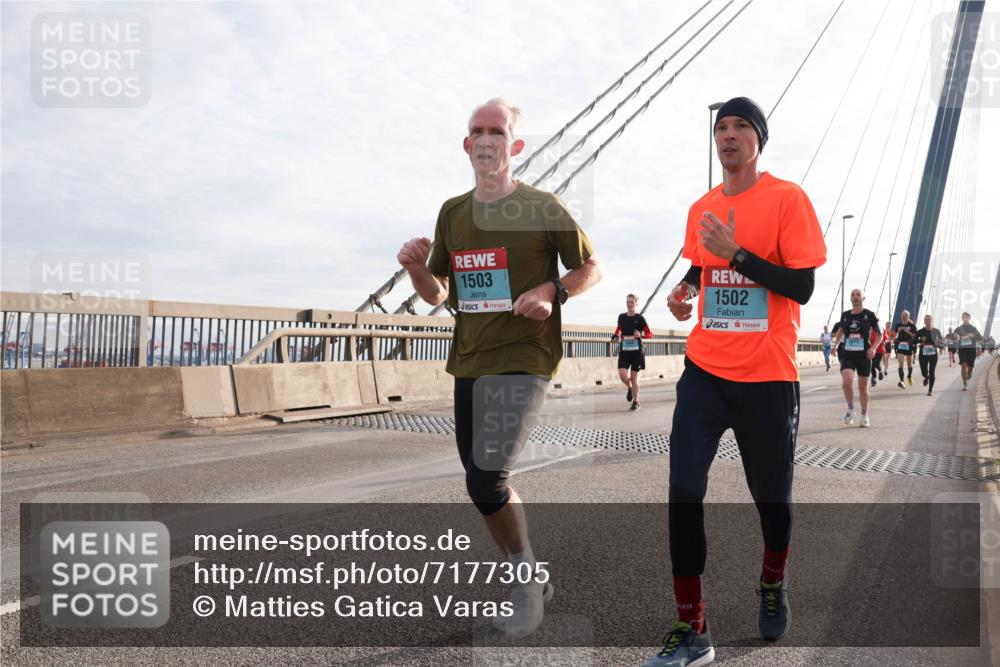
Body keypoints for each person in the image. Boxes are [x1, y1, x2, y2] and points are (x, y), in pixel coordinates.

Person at [397, 97, 602, 639]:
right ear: (467, 145)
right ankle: (529, 571)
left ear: (515, 145)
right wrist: (417, 269)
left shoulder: (543, 206)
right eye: (477, 131)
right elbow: (439, 292)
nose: (486, 139)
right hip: (471, 357)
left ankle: (525, 587)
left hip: (525, 356)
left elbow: (591, 267)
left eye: (497, 131)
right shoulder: (452, 212)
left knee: (489, 473)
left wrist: (552, 290)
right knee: (479, 482)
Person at [645, 97, 826, 667]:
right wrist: (685, 291)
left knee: (772, 500)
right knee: (683, 489)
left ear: (758, 139)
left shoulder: (787, 199)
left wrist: (739, 255)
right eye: (720, 126)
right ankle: (692, 627)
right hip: (704, 369)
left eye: (740, 126)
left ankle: (772, 579)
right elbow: (702, 265)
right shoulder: (702, 207)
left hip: (767, 375)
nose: (728, 135)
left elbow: (802, 287)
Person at [830, 289, 881, 427]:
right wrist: (836, 345)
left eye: (858, 294)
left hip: (864, 355)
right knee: (847, 381)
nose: (855, 296)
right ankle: (851, 409)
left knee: (863, 389)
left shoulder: (869, 315)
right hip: (848, 354)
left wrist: (873, 348)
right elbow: (841, 331)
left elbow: (879, 335)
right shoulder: (845, 315)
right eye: (853, 295)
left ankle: (864, 414)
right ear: (850, 298)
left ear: (863, 298)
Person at [612, 294, 653, 411]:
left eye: (631, 302)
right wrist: (616, 338)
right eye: (627, 302)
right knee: (622, 375)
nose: (629, 304)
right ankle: (629, 387)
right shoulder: (622, 317)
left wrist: (641, 335)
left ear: (636, 304)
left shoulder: (640, 319)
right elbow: (617, 331)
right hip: (624, 352)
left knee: (634, 378)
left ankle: (636, 402)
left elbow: (650, 334)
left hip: (636, 353)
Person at [914, 314, 944, 396]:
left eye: (929, 320)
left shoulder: (936, 331)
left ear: (932, 321)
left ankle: (930, 390)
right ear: (924, 322)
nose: (928, 321)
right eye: (926, 320)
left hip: (933, 354)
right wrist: (920, 340)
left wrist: (939, 345)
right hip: (923, 354)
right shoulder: (920, 331)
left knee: (932, 371)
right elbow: (914, 341)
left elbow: (941, 342)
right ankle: (926, 377)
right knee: (924, 372)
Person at [954, 312, 983, 391]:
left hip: (971, 350)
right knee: (963, 365)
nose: (964, 318)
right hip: (962, 350)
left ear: (969, 318)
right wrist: (956, 337)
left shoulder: (973, 328)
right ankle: (965, 383)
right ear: (962, 319)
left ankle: (970, 373)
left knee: (970, 367)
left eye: (966, 317)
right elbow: (954, 336)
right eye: (963, 317)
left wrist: (973, 335)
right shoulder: (959, 328)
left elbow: (980, 338)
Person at [893, 310, 918, 388]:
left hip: (909, 345)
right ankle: (902, 381)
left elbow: (915, 336)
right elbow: (894, 335)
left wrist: (909, 332)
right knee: (901, 364)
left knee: (909, 364)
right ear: (901, 316)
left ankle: (909, 376)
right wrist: (895, 336)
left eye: (905, 315)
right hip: (900, 345)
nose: (904, 317)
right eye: (903, 315)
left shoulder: (912, 326)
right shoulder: (898, 325)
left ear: (908, 317)